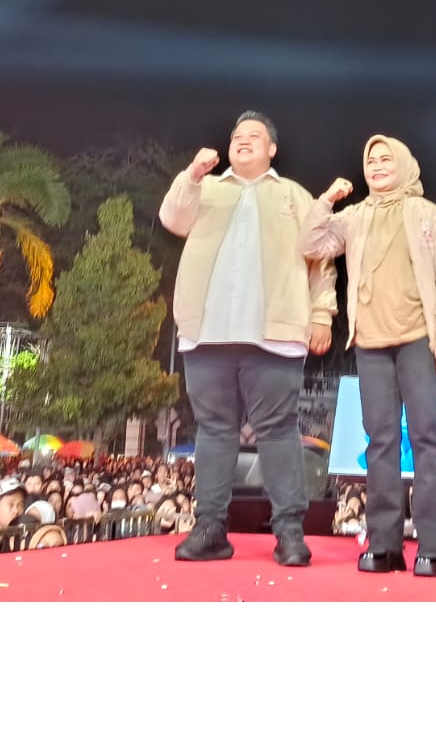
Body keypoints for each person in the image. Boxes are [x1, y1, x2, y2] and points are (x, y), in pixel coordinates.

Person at [159, 111, 338, 567]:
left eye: (254, 136)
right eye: (237, 136)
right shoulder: (205, 187)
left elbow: (321, 258)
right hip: (207, 332)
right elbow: (172, 219)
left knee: (278, 430)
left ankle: (290, 533)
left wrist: (322, 313)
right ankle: (210, 529)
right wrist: (192, 174)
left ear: (271, 149)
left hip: (274, 334)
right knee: (213, 430)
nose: (243, 140)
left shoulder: (294, 195)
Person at [302, 134, 436, 577]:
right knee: (380, 443)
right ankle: (384, 545)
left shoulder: (430, 215)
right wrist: (328, 199)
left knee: (427, 437)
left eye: (385, 158)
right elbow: (311, 245)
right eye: (370, 160)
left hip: (419, 340)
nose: (375, 165)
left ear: (404, 164)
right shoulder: (354, 217)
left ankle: (434, 548)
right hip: (370, 343)